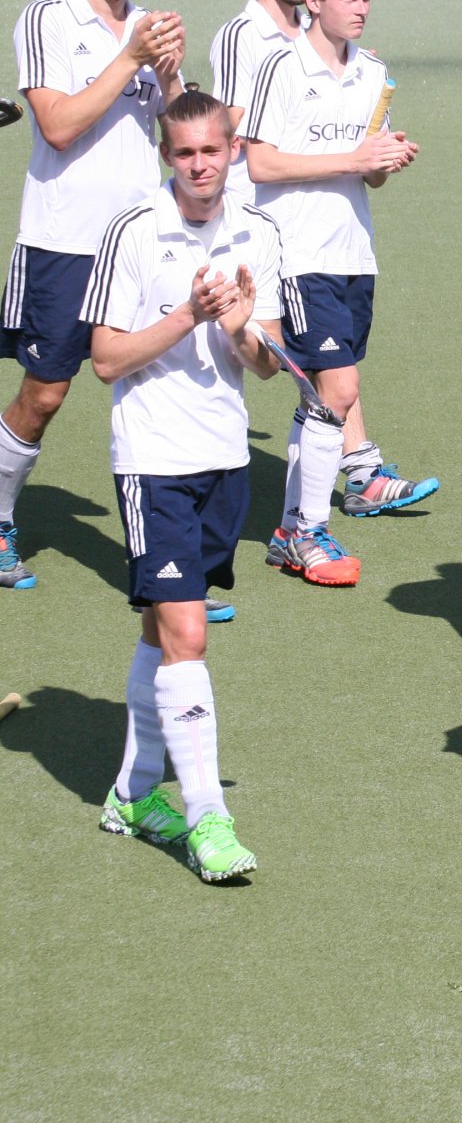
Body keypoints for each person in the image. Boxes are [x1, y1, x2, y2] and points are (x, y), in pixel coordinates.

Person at [83, 90, 285, 882]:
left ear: (233, 149)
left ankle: (132, 793)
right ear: (168, 157)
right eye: (185, 154)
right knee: (190, 635)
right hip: (153, 458)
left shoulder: (257, 233)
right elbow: (104, 357)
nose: (201, 166)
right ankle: (207, 817)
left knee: (160, 634)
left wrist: (239, 325)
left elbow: (266, 364)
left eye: (213, 150)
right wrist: (188, 315)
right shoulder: (135, 232)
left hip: (223, 457)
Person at [2, 0, 184, 590]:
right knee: (44, 396)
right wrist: (129, 58)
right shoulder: (48, 19)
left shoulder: (148, 30)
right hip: (63, 244)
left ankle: (167, 565)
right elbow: (57, 125)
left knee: (156, 398)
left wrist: (166, 73)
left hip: (142, 245)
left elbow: (178, 143)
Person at [240, 0, 430, 588]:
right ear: (314, 2)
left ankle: (295, 526)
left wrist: (383, 160)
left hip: (353, 252)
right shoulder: (280, 68)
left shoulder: (375, 73)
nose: (362, 10)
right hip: (295, 253)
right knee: (339, 390)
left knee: (325, 394)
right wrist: (354, 159)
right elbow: (260, 164)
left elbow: (366, 176)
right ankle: (307, 530)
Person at [209, 0, 323, 203]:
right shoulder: (241, 34)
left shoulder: (317, 32)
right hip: (251, 202)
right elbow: (230, 125)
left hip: (306, 200)